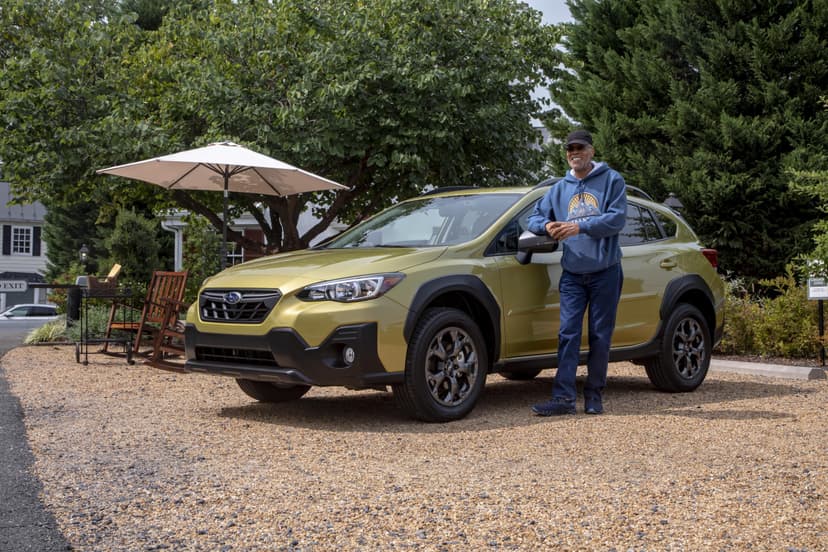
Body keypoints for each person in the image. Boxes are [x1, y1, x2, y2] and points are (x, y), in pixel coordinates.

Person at [527, 129, 627, 416]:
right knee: (568, 334)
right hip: (572, 273)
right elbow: (534, 217)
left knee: (599, 335)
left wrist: (579, 226)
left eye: (580, 147)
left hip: (605, 271)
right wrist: (545, 226)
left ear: (591, 151)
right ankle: (563, 399)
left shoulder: (612, 181)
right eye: (570, 149)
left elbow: (617, 219)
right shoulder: (559, 189)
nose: (574, 153)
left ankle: (594, 396)